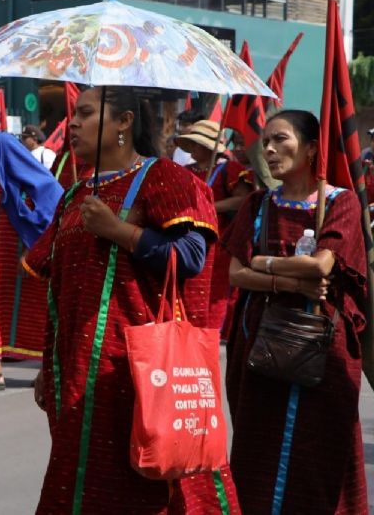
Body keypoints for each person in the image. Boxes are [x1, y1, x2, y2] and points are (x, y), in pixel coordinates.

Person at [24, 86, 240, 513]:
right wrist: (47, 367)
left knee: (149, 484)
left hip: (140, 373)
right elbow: (56, 284)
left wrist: (119, 231)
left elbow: (190, 257)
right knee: (83, 484)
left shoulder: (165, 177)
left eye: (87, 113)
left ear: (124, 122)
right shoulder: (75, 195)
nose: (74, 123)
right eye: (74, 114)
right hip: (76, 373)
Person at [221, 110, 367, 513]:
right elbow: (236, 273)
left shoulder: (341, 202)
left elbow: (321, 264)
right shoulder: (257, 204)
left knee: (320, 454)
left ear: (312, 148)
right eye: (266, 141)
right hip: (259, 343)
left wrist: (263, 263)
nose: (268, 149)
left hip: (323, 346)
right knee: (257, 451)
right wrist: (289, 282)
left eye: (280, 139)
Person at [0, 132, 56, 392]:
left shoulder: (40, 183)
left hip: (33, 266)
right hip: (3, 265)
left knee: (39, 316)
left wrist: (32, 253)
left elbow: (51, 220)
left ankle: (46, 372)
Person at [177, 119, 254, 330]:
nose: (192, 147)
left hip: (218, 242)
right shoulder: (183, 170)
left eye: (196, 143)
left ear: (208, 147)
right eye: (191, 143)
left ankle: (210, 335)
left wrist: (209, 206)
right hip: (186, 238)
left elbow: (243, 200)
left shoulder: (230, 169)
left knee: (214, 290)